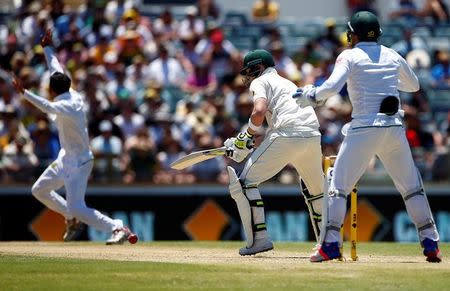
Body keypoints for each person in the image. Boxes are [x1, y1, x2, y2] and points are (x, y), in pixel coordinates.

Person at [293, 11, 441, 263]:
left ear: (353, 34)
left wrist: (309, 96)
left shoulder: (349, 55)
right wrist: (386, 80)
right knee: (412, 187)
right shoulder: (392, 54)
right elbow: (414, 85)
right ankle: (430, 242)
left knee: (337, 187)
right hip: (393, 129)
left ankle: (329, 245)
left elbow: (330, 88)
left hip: (364, 129)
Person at [10, 29, 138, 245]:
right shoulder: (70, 93)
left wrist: (25, 93)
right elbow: (56, 69)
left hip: (79, 162)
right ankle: (70, 218)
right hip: (66, 158)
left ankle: (117, 227)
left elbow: (46, 107)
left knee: (78, 207)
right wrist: (48, 48)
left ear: (52, 90)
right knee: (39, 190)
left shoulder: (66, 104)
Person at [224, 49, 325, 255]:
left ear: (258, 67)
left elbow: (259, 111)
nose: (248, 76)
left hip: (287, 134)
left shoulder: (260, 82)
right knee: (317, 191)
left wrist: (245, 136)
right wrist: (247, 140)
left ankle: (258, 240)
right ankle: (329, 243)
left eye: (249, 71)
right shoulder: (287, 82)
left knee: (244, 184)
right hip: (312, 134)